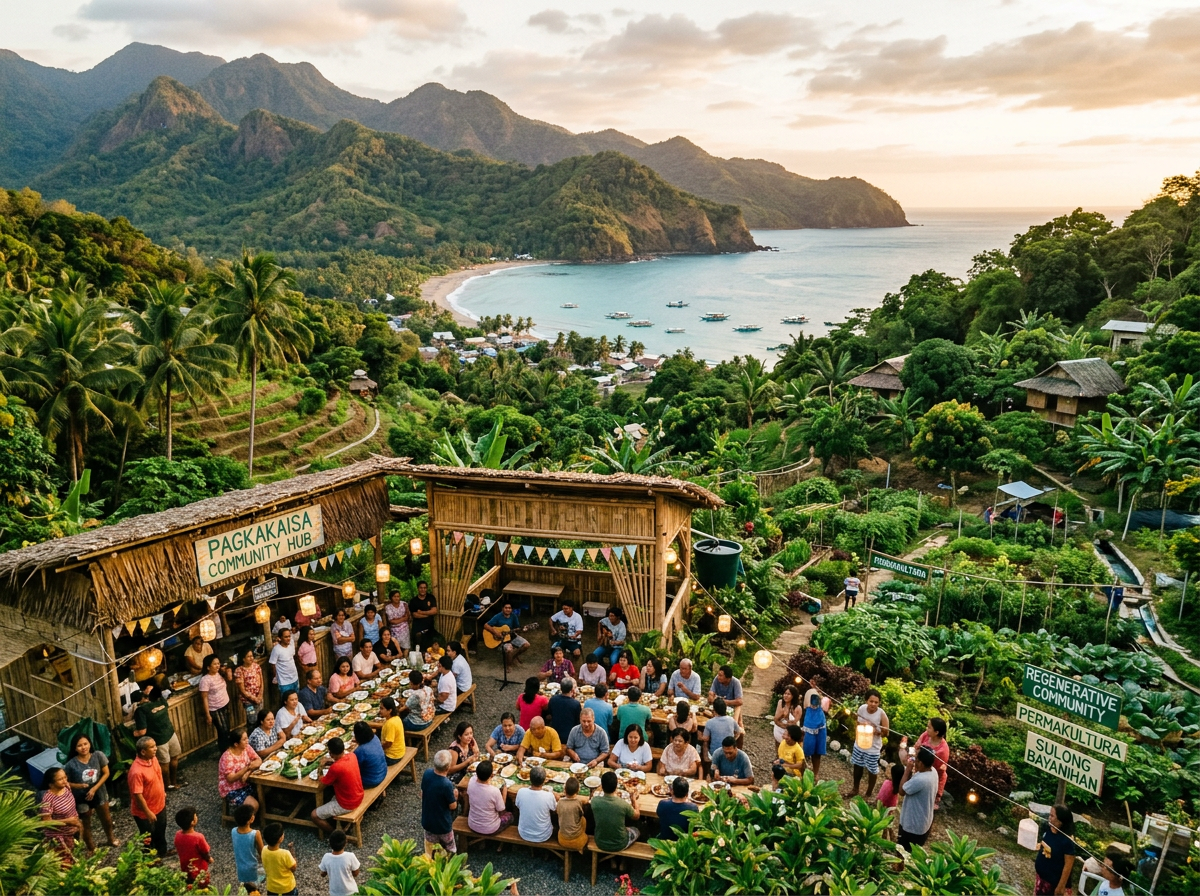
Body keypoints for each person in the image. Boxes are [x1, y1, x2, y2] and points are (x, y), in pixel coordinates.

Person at [65, 733, 119, 851]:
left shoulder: (98, 755)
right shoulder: (70, 765)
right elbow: (65, 783)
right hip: (81, 797)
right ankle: (91, 848)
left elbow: (106, 773)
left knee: (106, 819)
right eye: (79, 745)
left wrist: (94, 788)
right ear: (74, 748)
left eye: (85, 744)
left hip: (99, 793)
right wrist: (78, 786)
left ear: (90, 744)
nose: (83, 747)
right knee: (85, 823)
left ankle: (111, 839)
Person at [133, 686, 183, 790]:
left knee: (164, 763)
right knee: (174, 757)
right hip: (170, 733)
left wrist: (132, 733)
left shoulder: (141, 710)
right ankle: (174, 782)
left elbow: (142, 731)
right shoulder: (162, 701)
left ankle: (167, 786)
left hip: (159, 740)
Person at [312, 737, 364, 835]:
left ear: (331, 753)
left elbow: (322, 782)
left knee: (314, 815)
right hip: (358, 795)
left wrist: (321, 766)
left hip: (347, 804)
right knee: (330, 796)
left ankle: (336, 834)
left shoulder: (336, 768)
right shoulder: (352, 755)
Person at [128, 736, 168, 855]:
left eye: (155, 745)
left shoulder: (153, 759)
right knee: (147, 837)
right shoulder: (136, 771)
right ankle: (148, 860)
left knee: (160, 831)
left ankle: (161, 853)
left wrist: (162, 791)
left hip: (160, 805)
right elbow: (137, 795)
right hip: (145, 813)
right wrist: (147, 812)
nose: (155, 749)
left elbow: (158, 775)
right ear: (143, 752)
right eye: (152, 747)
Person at [847, 689, 889, 799]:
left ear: (879, 703)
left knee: (872, 770)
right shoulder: (861, 709)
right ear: (866, 701)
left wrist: (876, 731)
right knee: (857, 766)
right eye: (871, 701)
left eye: (876, 702)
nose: (873, 704)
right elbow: (857, 723)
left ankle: (868, 793)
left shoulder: (881, 714)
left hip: (873, 748)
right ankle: (855, 789)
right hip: (860, 743)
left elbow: (886, 732)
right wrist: (863, 725)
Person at [897, 746, 938, 850]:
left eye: (916, 759)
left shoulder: (921, 779)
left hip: (912, 826)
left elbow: (901, 791)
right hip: (923, 823)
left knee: (902, 853)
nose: (914, 761)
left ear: (921, 763)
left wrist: (907, 770)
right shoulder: (933, 772)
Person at [592, 770, 641, 857]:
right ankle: (623, 862)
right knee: (636, 830)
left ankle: (612, 860)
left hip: (600, 842)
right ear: (616, 787)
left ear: (602, 786)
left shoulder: (595, 801)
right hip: (620, 844)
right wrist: (634, 800)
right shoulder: (622, 804)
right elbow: (636, 816)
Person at [421, 750, 459, 856]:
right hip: (443, 824)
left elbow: (422, 793)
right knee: (449, 848)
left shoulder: (427, 774)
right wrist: (455, 796)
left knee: (431, 849)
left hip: (428, 821)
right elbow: (453, 806)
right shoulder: (446, 784)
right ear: (448, 767)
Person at [39, 767, 82, 862]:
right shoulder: (47, 800)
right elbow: (46, 822)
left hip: (73, 830)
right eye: (60, 779)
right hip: (59, 836)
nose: (64, 781)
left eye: (65, 777)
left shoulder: (66, 787)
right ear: (51, 784)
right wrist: (68, 821)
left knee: (74, 854)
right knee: (65, 862)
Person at [1035, 805, 1078, 896]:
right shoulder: (1049, 829)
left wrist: (1061, 886)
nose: (1049, 818)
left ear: (1060, 821)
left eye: (1052, 816)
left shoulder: (1067, 841)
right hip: (1042, 878)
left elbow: (1068, 866)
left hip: (1054, 884)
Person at [219, 728, 263, 812]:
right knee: (254, 805)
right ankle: (245, 823)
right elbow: (231, 778)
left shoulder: (246, 747)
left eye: (247, 738)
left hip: (246, 782)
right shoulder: (227, 757)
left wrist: (247, 772)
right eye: (244, 739)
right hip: (232, 789)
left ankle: (255, 816)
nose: (247, 741)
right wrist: (247, 768)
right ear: (236, 744)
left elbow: (258, 760)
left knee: (266, 792)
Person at [467, 760, 514, 834]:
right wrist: (504, 791)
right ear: (491, 775)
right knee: (510, 816)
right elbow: (501, 809)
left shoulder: (471, 782)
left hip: (472, 824)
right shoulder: (494, 791)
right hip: (490, 828)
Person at [516, 765, 558, 843]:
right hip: (543, 835)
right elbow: (555, 809)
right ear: (544, 780)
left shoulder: (521, 792)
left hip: (524, 833)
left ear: (530, 779)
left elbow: (518, 806)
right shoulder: (548, 795)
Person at [916, 717, 950, 810]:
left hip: (933, 776)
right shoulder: (926, 735)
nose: (927, 729)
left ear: (936, 732)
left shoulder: (942, 750)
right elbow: (917, 745)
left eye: (929, 727)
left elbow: (936, 770)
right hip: (920, 768)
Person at [486, 600, 530, 669]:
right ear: (502, 608)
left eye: (509, 608)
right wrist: (495, 632)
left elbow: (517, 628)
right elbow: (486, 625)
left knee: (526, 645)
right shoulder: (498, 616)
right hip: (502, 639)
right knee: (509, 649)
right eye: (506, 608)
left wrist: (523, 630)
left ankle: (513, 657)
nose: (508, 609)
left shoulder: (513, 616)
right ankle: (508, 665)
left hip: (512, 636)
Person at [199, 654, 234, 743]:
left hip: (225, 704)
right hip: (215, 709)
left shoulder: (220, 674)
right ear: (208, 667)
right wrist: (208, 715)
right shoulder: (205, 680)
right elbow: (204, 698)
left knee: (227, 729)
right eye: (215, 664)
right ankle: (224, 751)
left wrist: (227, 670)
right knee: (223, 731)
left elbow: (229, 678)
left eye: (218, 663)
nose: (217, 666)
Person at [231, 803, 264, 896]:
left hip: (240, 868)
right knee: (254, 888)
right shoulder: (255, 833)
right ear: (251, 819)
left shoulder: (233, 831)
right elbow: (262, 852)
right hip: (253, 868)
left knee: (245, 888)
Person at [174, 806, 212, 885]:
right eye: (195, 816)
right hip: (199, 868)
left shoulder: (178, 834)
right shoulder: (198, 837)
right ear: (192, 822)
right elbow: (204, 851)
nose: (196, 817)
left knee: (189, 883)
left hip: (185, 866)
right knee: (202, 885)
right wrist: (209, 859)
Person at [656, 776, 698, 841]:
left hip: (665, 842)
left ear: (672, 791)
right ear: (687, 794)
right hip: (683, 844)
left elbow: (659, 814)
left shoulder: (662, 804)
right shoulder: (693, 808)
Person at [320, 829, 361, 896]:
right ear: (345, 842)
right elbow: (356, 873)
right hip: (351, 891)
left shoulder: (326, 857)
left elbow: (323, 874)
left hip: (335, 892)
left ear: (330, 843)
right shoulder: (350, 856)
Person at [262, 823, 298, 896]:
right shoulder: (285, 854)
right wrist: (292, 851)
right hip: (287, 888)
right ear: (280, 838)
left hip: (272, 888)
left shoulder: (264, 849)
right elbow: (294, 868)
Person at [557, 776, 590, 852]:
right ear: (578, 790)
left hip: (562, 839)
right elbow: (582, 812)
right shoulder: (578, 802)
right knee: (583, 819)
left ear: (565, 790)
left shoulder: (560, 802)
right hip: (578, 841)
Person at [547, 677, 582, 744]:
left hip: (555, 734)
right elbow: (578, 721)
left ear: (560, 688)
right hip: (570, 736)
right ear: (572, 690)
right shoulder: (576, 704)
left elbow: (550, 714)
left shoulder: (553, 700)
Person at [801, 691, 828, 778]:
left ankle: (815, 773)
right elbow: (805, 706)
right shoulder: (808, 693)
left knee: (817, 752)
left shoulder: (824, 699)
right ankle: (802, 772)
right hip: (809, 723)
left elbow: (826, 709)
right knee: (805, 750)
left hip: (820, 725)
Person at [269, 626, 300, 700]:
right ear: (280, 638)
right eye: (286, 637)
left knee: (296, 699)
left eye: (289, 636)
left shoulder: (290, 645)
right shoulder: (276, 649)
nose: (288, 638)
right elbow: (273, 664)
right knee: (287, 701)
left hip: (295, 678)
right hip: (284, 681)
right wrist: (275, 677)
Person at [410, 581, 440, 651]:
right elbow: (415, 615)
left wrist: (421, 612)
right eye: (421, 588)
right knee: (418, 643)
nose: (423, 590)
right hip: (418, 627)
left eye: (424, 588)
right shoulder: (413, 601)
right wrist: (428, 614)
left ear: (426, 588)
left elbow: (434, 611)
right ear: (418, 588)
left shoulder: (431, 598)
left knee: (430, 645)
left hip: (429, 626)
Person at [234, 649, 265, 717]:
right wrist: (254, 699)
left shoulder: (256, 666)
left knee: (261, 717)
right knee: (252, 718)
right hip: (248, 701)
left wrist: (260, 696)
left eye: (252, 656)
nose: (251, 658)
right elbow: (242, 690)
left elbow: (261, 682)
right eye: (248, 656)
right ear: (243, 659)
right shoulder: (239, 671)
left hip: (259, 698)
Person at [378, 698, 408, 765]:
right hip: (400, 751)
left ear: (389, 710)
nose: (380, 711)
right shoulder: (396, 718)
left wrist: (379, 748)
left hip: (392, 756)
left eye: (382, 708)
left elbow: (388, 743)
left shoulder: (390, 724)